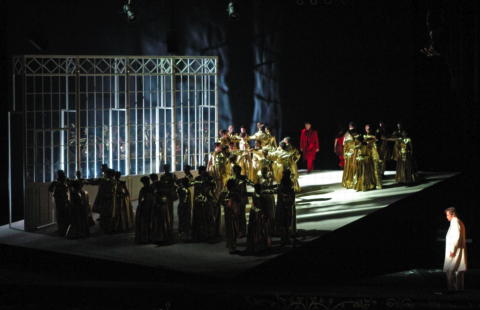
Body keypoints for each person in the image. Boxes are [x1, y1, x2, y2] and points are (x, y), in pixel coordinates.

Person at [443, 207, 467, 292]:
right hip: (456, 251)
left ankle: (452, 290)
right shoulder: (458, 222)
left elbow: (456, 237)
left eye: (447, 215)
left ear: (452, 214)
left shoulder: (455, 222)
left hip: (454, 252)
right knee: (457, 271)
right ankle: (459, 290)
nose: (446, 217)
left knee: (451, 270)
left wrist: (453, 250)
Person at [191, 166, 216, 242]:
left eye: (200, 170)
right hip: (199, 201)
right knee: (200, 217)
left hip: (206, 201)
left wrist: (208, 192)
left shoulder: (209, 179)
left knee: (207, 217)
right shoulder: (198, 179)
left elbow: (213, 188)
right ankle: (201, 234)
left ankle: (208, 234)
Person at [247, 184, 272, 254]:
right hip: (259, 215)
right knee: (260, 230)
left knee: (259, 230)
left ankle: (259, 246)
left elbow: (255, 206)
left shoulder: (256, 195)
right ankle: (260, 246)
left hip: (256, 214)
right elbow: (261, 206)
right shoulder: (260, 196)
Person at [275, 169, 296, 246]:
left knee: (285, 223)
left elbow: (289, 194)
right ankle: (285, 239)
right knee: (285, 223)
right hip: (285, 205)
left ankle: (285, 239)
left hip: (284, 206)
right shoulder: (288, 183)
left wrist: (287, 200)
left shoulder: (287, 183)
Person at [219, 179, 241, 253]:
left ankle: (230, 244)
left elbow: (222, 202)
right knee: (232, 230)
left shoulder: (228, 194)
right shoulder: (232, 194)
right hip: (231, 214)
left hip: (231, 214)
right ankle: (232, 246)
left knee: (231, 230)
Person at [48, 170, 70, 236]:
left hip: (63, 199)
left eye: (62, 174)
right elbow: (50, 189)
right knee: (61, 214)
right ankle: (61, 229)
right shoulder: (57, 182)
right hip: (60, 200)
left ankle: (63, 228)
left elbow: (50, 190)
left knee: (63, 214)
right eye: (62, 174)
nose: (63, 175)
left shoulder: (63, 181)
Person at [135, 176, 155, 244]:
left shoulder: (144, 189)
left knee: (146, 222)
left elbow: (140, 199)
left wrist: (141, 205)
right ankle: (149, 237)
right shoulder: (152, 189)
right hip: (150, 206)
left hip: (146, 207)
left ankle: (146, 237)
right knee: (150, 222)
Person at [342, 122, 359, 189]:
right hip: (353, 152)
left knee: (350, 167)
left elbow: (344, 144)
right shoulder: (354, 133)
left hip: (350, 153)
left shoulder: (347, 133)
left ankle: (349, 182)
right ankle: (353, 182)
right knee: (353, 167)